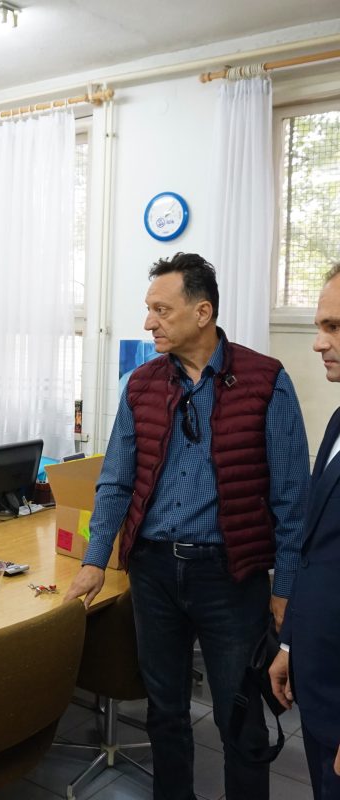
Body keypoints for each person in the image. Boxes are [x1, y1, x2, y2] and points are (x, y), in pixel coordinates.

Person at [64, 253, 310, 800]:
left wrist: (286, 589)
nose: (149, 322)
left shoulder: (266, 381)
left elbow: (293, 498)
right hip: (153, 572)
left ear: (202, 312)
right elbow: (115, 481)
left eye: (161, 310)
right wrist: (94, 560)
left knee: (239, 718)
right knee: (165, 712)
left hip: (231, 576)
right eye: (148, 309)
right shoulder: (141, 385)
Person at [270, 263, 340, 799]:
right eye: (320, 326)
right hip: (319, 680)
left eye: (333, 327)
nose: (318, 343)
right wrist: (290, 643)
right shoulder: (338, 420)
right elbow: (317, 550)